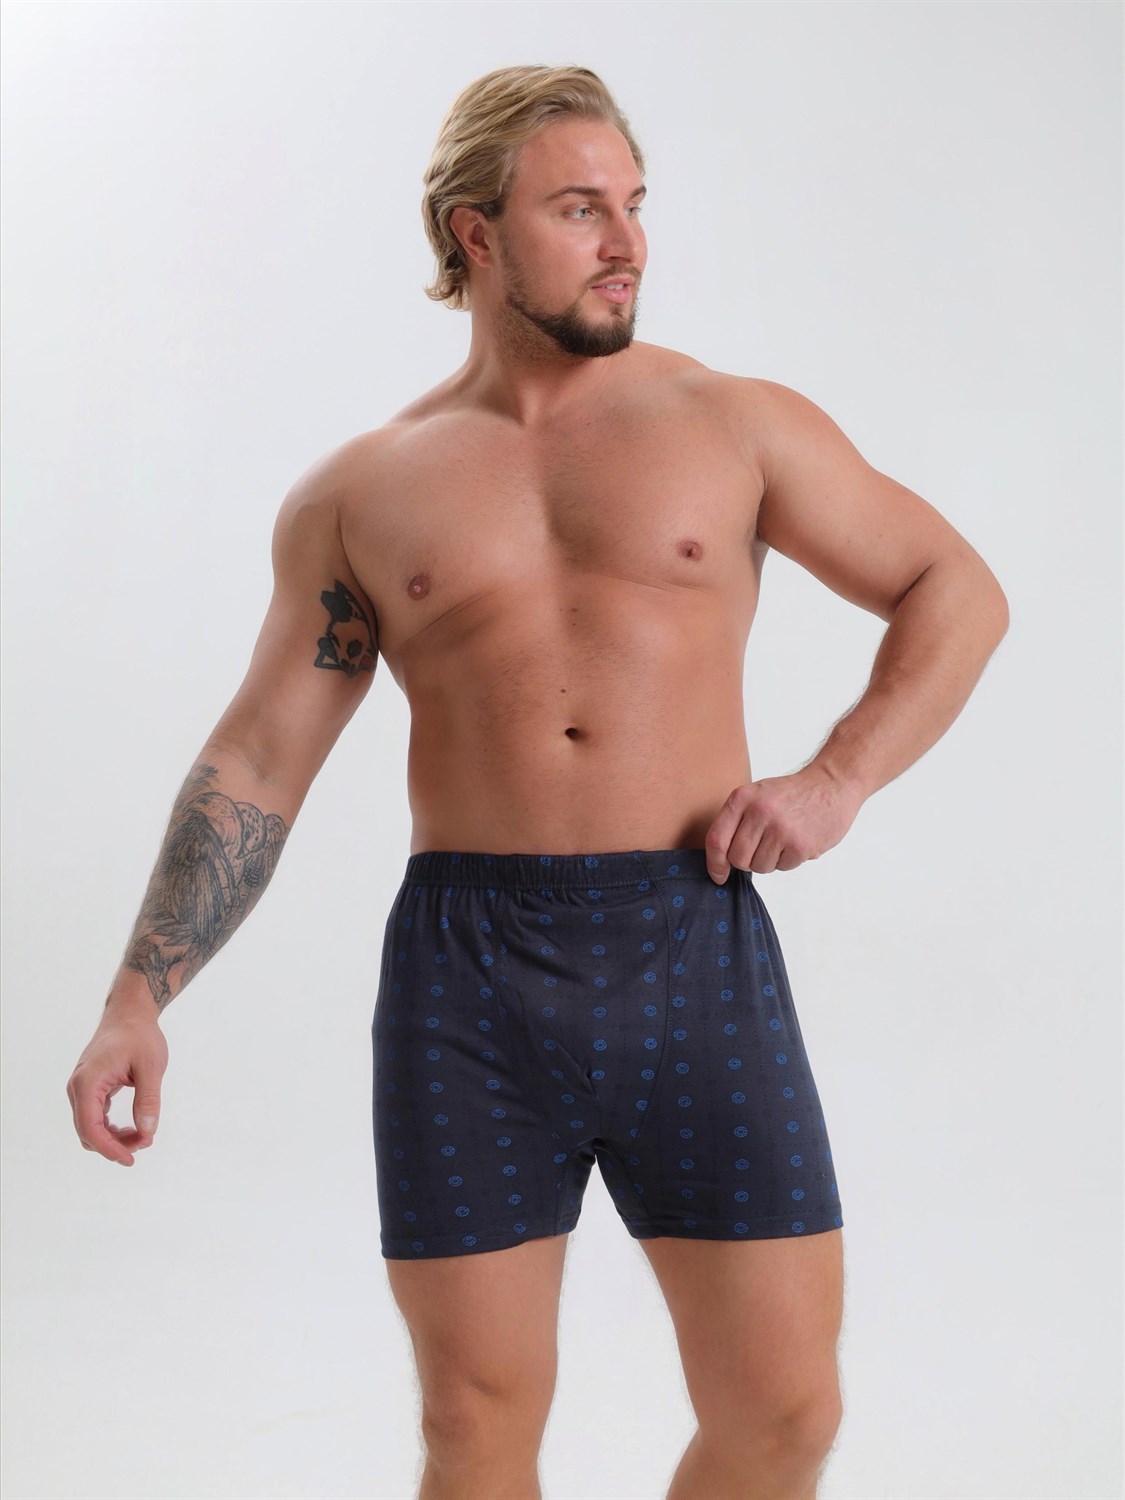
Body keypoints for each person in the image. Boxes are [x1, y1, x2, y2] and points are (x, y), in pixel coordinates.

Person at [66, 63, 1009, 1500]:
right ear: (477, 232)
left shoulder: (734, 422)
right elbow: (260, 753)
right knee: (474, 1421)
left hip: (691, 942)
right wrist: (140, 995)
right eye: (580, 209)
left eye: (634, 204)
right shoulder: (362, 491)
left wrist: (837, 780)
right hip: (468, 976)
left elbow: (956, 587)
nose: (628, 242)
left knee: (783, 1409)